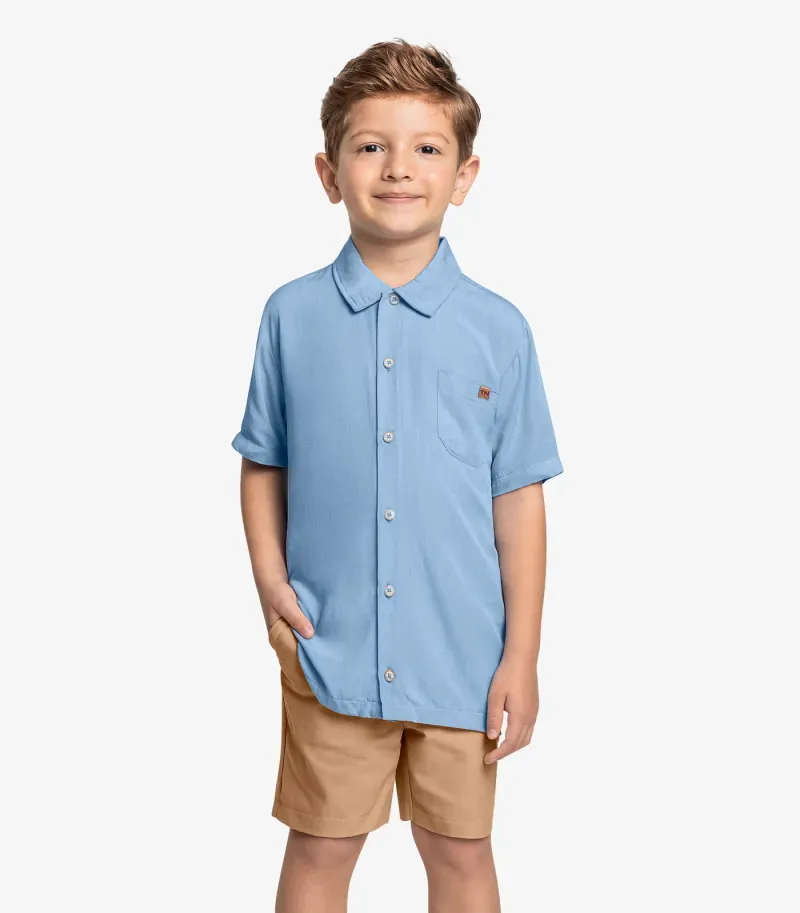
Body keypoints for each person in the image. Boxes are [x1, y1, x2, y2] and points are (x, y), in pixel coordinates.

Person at [231, 37, 563, 913]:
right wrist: (271, 584)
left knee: (460, 852)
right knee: (321, 845)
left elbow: (518, 497)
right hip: (330, 643)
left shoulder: (500, 329)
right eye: (371, 145)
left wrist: (521, 655)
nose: (398, 168)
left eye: (427, 148)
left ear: (464, 175)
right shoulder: (290, 315)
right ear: (328, 171)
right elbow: (264, 459)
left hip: (463, 652)